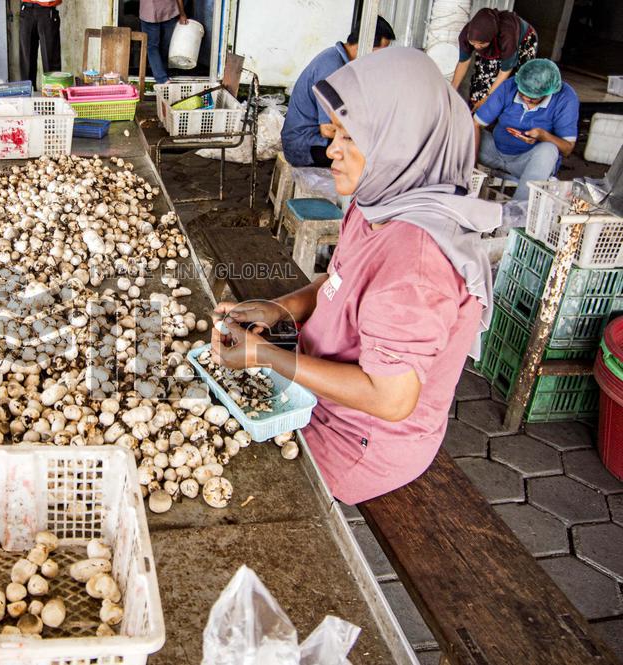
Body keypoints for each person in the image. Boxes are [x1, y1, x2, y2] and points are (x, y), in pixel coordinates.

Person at [213, 48, 500, 505]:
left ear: (399, 142)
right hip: (318, 391)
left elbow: (390, 400)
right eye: (334, 134)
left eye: (349, 138)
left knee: (235, 480)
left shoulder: (417, 267)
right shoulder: (378, 204)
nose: (331, 150)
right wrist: (280, 308)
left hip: (360, 437)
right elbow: (337, 281)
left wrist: (267, 357)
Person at [280, 16, 395, 167]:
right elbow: (327, 130)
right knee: (373, 158)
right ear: (364, 46)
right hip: (305, 145)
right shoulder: (332, 68)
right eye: (379, 53)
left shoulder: (338, 59)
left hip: (312, 141)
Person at [474, 59, 579, 201]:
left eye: (533, 98)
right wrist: (471, 162)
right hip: (493, 152)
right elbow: (476, 124)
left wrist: (543, 135)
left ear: (549, 92)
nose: (526, 99)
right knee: (462, 130)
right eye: (522, 93)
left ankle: (517, 211)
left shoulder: (565, 98)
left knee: (548, 150)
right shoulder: (509, 86)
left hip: (526, 164)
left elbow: (567, 148)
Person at [451, 8, 537, 110]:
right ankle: (475, 112)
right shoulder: (466, 34)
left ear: (491, 38)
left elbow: (505, 71)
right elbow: (463, 62)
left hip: (523, 40)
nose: (477, 47)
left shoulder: (507, 36)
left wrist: (486, 98)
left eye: (481, 44)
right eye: (473, 43)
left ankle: (506, 114)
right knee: (481, 81)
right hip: (494, 41)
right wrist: (451, 92)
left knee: (517, 80)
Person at [140, 0, 188, 85]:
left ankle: (162, 78)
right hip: (168, 11)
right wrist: (182, 13)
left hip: (150, 12)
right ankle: (163, 75)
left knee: (152, 47)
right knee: (165, 45)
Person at [20, 0, 63, 90]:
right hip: (27, 10)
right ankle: (27, 97)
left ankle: (52, 96)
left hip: (47, 11)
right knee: (27, 60)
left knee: (51, 60)